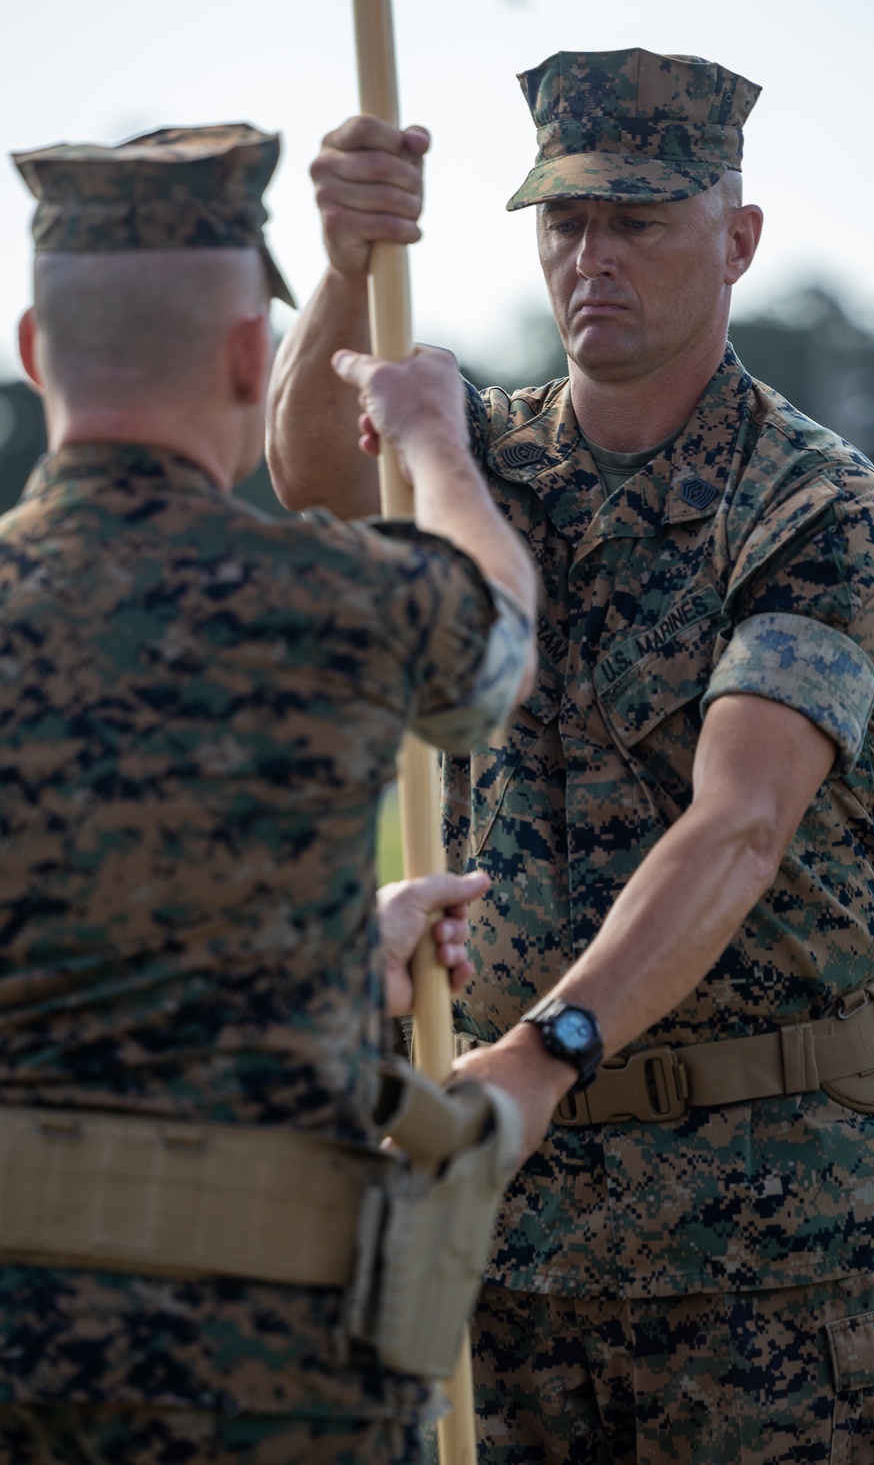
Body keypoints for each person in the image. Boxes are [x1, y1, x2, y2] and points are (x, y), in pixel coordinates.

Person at [267, 51, 874, 1465]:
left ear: (738, 241)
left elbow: (742, 821)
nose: (594, 256)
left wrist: (545, 1048)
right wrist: (345, 265)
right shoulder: (487, 461)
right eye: (565, 220)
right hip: (526, 1227)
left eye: (639, 220)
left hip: (765, 1230)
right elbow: (314, 483)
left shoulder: (813, 502)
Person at [0, 123, 538, 1465]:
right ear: (253, 354)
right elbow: (499, 645)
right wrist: (432, 447)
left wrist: (337, 942)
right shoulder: (330, 596)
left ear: (29, 350)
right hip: (266, 1373)